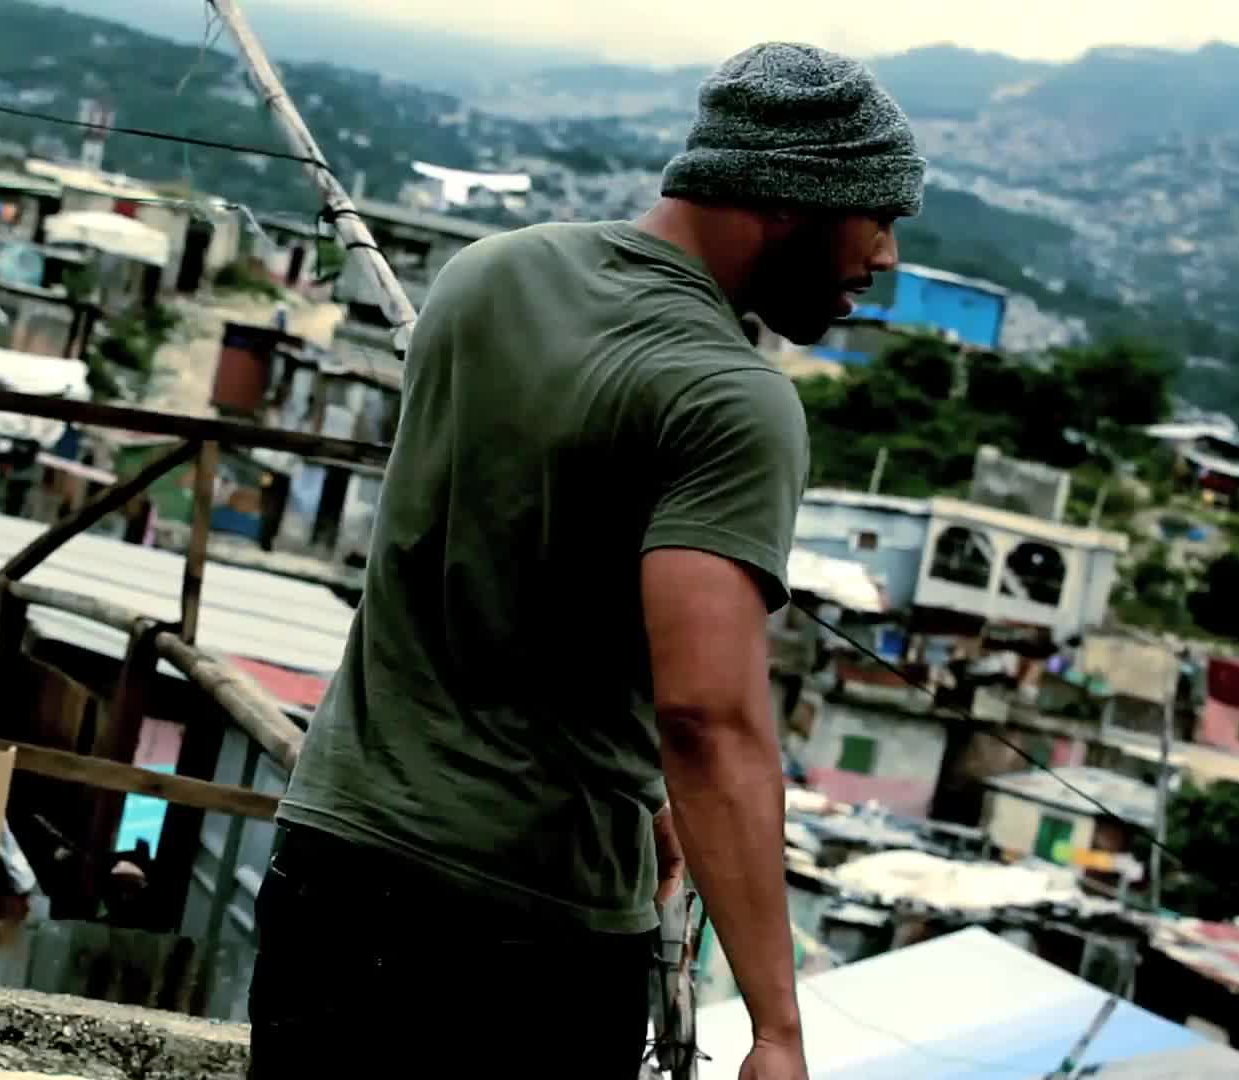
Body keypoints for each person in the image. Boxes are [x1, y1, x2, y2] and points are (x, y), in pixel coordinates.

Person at [247, 42, 923, 1080]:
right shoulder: (731, 398)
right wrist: (776, 1030)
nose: (884, 258)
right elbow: (707, 720)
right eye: (877, 216)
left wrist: (636, 790)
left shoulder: (485, 275)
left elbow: (515, 566)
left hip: (333, 871)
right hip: (523, 942)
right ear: (791, 197)